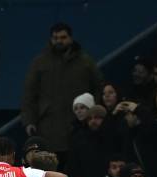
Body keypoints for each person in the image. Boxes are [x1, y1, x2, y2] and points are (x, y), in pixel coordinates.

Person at [21, 22, 103, 160]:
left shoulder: (85, 62)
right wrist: (29, 121)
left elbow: (99, 86)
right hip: (47, 127)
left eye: (63, 37)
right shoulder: (40, 62)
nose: (59, 41)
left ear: (71, 38)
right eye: (55, 38)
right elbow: (29, 94)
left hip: (79, 126)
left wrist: (92, 114)